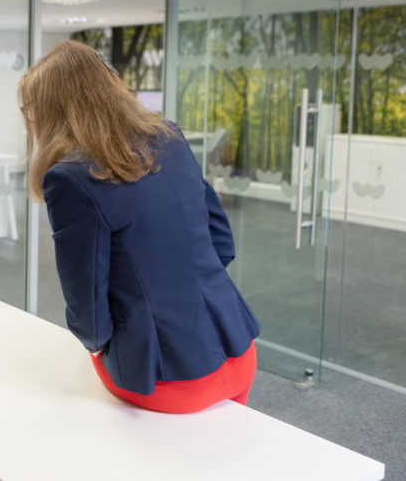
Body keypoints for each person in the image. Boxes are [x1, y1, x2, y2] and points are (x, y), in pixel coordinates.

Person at [17, 40, 260, 414]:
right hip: (238, 351)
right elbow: (222, 245)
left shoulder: (69, 179)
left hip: (164, 376)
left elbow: (91, 319)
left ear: (51, 112)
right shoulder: (171, 139)